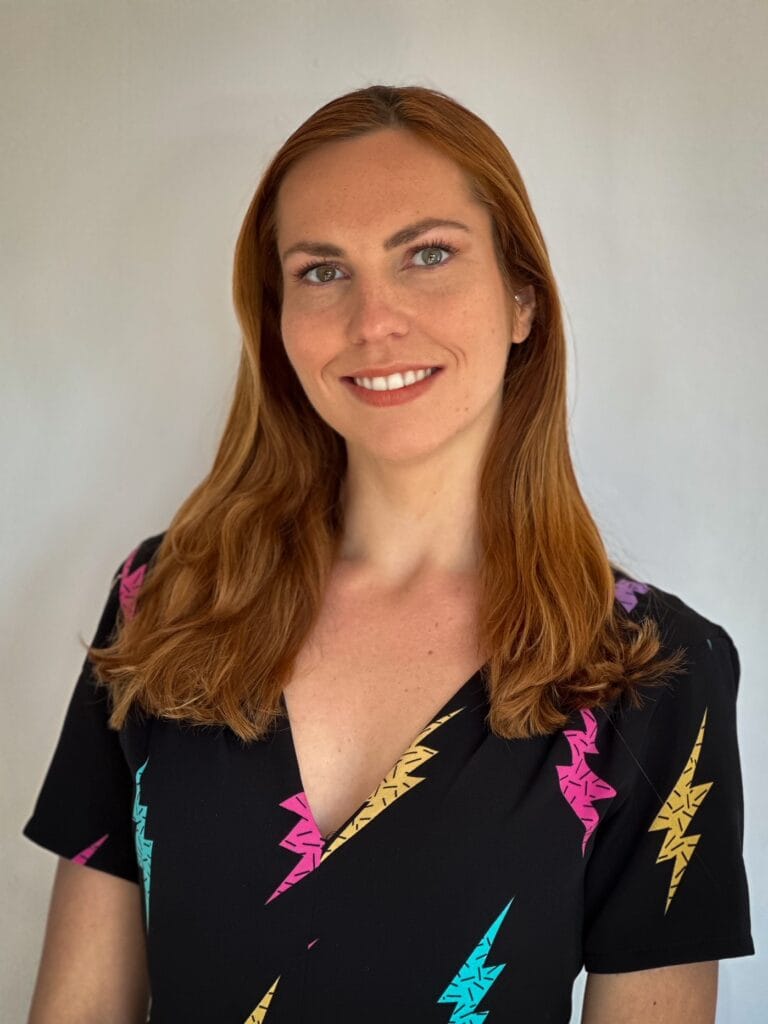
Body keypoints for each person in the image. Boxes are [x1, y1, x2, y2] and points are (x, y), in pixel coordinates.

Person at [22, 84, 754, 1024]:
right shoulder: (165, 602)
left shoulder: (652, 674)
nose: (374, 320)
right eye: (323, 271)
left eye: (428, 254)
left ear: (522, 298)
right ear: (277, 322)